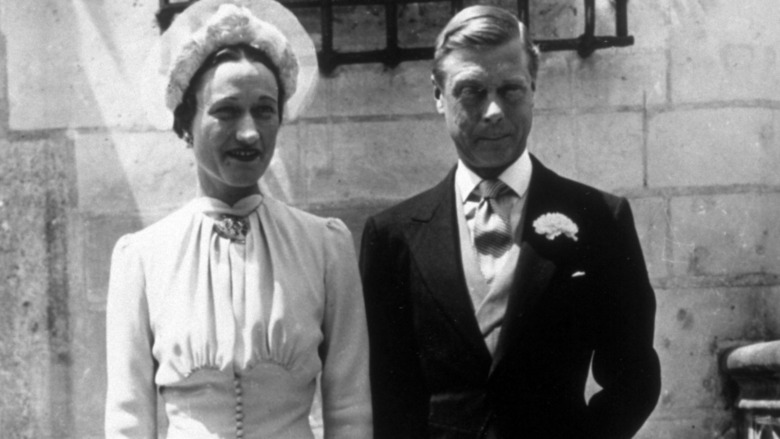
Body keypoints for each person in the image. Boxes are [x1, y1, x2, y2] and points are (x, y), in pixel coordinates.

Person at [359, 5, 661, 439]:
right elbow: (384, 391)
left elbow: (634, 376)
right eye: (472, 91)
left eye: (511, 89)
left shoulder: (600, 219)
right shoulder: (392, 237)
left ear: (534, 87)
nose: (495, 110)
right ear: (438, 94)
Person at [104, 1, 372, 438]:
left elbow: (350, 409)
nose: (249, 133)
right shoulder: (142, 257)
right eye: (226, 111)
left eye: (264, 110)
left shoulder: (325, 246)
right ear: (185, 123)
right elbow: (127, 419)